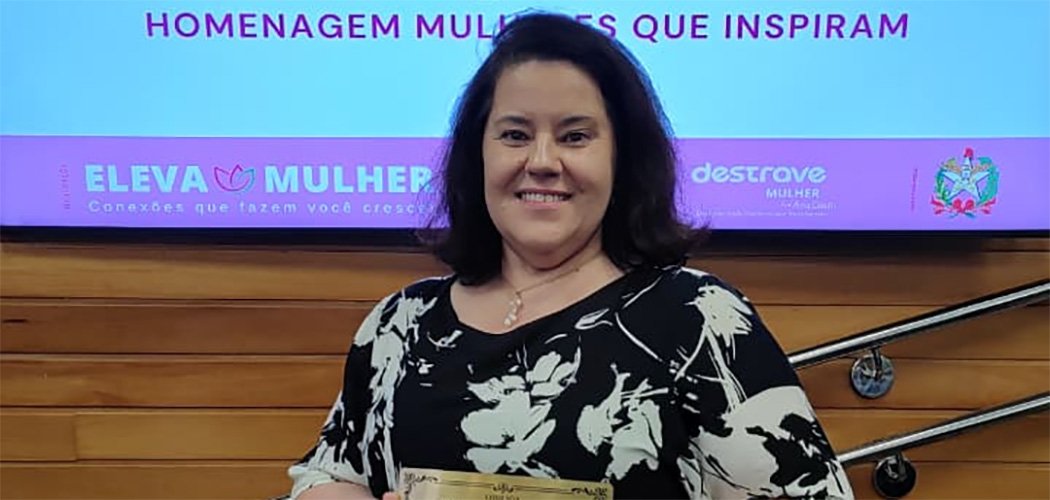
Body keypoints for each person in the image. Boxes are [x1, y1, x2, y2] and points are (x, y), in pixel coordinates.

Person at [288, 12, 853, 500]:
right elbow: (328, 471)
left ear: (622, 159)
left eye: (575, 136)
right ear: (477, 154)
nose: (541, 161)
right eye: (514, 135)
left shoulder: (699, 318)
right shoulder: (400, 323)